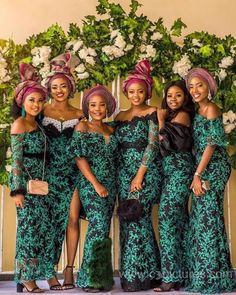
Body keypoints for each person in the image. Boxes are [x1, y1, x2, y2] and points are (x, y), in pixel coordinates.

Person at [185, 67, 235, 293]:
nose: (195, 90)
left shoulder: (212, 109)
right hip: (203, 166)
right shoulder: (199, 109)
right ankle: (217, 276)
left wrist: (197, 175)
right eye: (191, 87)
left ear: (209, 87)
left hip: (213, 167)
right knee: (206, 218)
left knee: (207, 218)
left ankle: (209, 279)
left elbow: (211, 144)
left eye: (200, 85)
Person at [9, 63, 57, 293]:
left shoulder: (37, 125)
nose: (36, 104)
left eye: (39, 100)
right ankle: (26, 278)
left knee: (44, 231)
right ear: (22, 102)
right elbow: (16, 161)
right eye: (32, 100)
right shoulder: (19, 124)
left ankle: (46, 274)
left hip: (42, 186)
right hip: (26, 188)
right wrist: (17, 191)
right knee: (28, 232)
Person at [115, 60, 162, 291]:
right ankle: (130, 276)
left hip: (145, 172)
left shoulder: (153, 112)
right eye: (131, 91)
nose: (136, 95)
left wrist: (139, 175)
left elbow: (153, 145)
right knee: (126, 221)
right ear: (126, 92)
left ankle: (143, 277)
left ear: (147, 92)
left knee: (139, 219)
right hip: (122, 175)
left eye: (140, 91)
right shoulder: (119, 116)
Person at [67, 85, 117, 292]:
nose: (97, 109)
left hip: (111, 185)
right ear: (87, 107)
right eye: (92, 105)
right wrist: (96, 184)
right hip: (91, 184)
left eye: (101, 105)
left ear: (107, 107)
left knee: (103, 229)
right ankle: (89, 279)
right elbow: (79, 158)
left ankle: (102, 278)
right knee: (97, 227)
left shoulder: (110, 129)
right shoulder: (82, 127)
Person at [42, 52, 84, 289]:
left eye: (63, 86)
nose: (59, 90)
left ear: (70, 87)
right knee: (50, 222)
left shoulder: (79, 114)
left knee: (72, 219)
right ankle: (49, 270)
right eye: (55, 87)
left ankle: (69, 269)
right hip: (48, 174)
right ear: (49, 89)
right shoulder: (42, 111)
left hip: (72, 173)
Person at [154, 80, 195, 292]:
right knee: (178, 222)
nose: (173, 99)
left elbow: (168, 146)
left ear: (185, 97)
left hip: (180, 172)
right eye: (170, 96)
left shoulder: (183, 116)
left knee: (167, 219)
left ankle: (169, 277)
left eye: (178, 95)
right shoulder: (173, 115)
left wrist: (160, 121)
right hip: (171, 174)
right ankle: (182, 275)